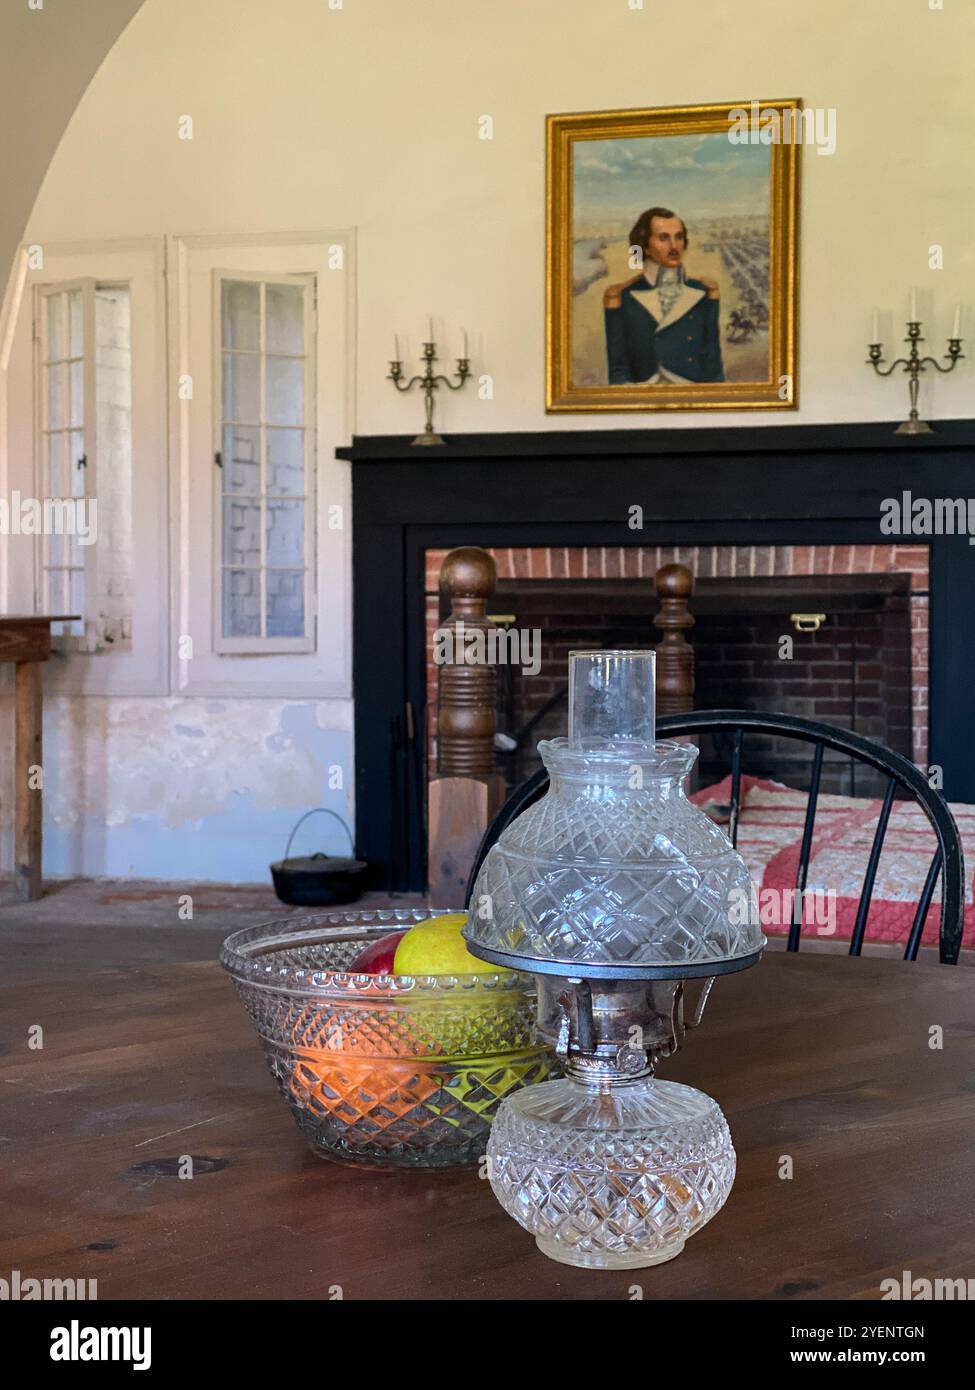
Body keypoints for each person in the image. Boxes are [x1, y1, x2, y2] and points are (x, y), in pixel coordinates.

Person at [604, 206, 724, 384]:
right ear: (645, 246)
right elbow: (618, 369)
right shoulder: (621, 296)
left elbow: (713, 366)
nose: (674, 246)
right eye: (663, 238)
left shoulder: (702, 291)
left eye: (679, 237)